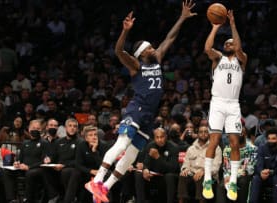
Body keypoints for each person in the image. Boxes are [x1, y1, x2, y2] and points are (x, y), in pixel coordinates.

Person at [85, 1, 197, 202]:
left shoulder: (157, 59)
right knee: (122, 144)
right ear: (142, 53)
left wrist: (182, 17)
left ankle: (105, 188)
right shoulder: (136, 65)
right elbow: (119, 51)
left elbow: (170, 38)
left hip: (148, 116)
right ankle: (98, 179)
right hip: (136, 109)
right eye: (150, 48)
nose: (155, 49)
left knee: (131, 156)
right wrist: (125, 32)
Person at [202, 9, 248, 201]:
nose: (230, 44)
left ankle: (234, 181)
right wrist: (215, 28)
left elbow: (238, 46)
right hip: (218, 103)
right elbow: (207, 48)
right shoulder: (217, 58)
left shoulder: (241, 59)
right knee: (213, 141)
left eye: (232, 43)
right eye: (227, 43)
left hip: (233, 105)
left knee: (235, 143)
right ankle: (207, 179)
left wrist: (233, 26)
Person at [177, 125, 222, 203]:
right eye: (201, 132)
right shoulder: (191, 148)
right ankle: (181, 200)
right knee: (182, 176)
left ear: (209, 134)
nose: (203, 134)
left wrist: (204, 171)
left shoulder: (215, 148)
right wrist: (185, 169)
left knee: (201, 177)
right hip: (192, 174)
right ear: (197, 134)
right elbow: (186, 163)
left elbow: (216, 167)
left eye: (206, 132)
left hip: (210, 177)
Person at [216, 126, 257, 203]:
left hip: (245, 176)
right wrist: (227, 176)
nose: (238, 135)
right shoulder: (228, 149)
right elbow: (226, 166)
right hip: (231, 175)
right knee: (221, 185)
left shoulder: (253, 149)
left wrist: (233, 176)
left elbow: (250, 168)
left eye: (240, 133)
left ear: (245, 134)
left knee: (242, 182)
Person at [248, 128, 277, 203]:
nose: (270, 141)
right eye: (268, 138)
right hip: (264, 175)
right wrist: (261, 172)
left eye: (273, 139)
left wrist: (270, 172)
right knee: (256, 179)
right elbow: (258, 163)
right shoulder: (262, 148)